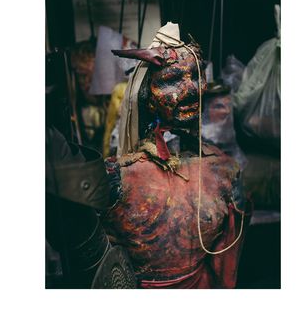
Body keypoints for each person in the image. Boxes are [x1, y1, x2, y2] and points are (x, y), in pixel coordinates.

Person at [101, 22, 250, 288]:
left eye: (196, 76)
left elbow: (227, 266)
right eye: (171, 81)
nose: (191, 89)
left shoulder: (225, 173)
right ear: (146, 95)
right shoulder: (115, 177)